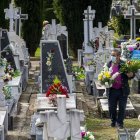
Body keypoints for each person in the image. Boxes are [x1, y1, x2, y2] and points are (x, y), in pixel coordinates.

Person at [107, 49, 134, 129]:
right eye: (112, 55)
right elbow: (104, 74)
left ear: (119, 56)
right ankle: (113, 121)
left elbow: (132, 74)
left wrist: (131, 74)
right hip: (112, 89)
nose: (112, 57)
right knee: (112, 107)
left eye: (114, 55)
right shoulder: (109, 64)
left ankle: (120, 123)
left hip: (122, 90)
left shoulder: (124, 64)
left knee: (122, 107)